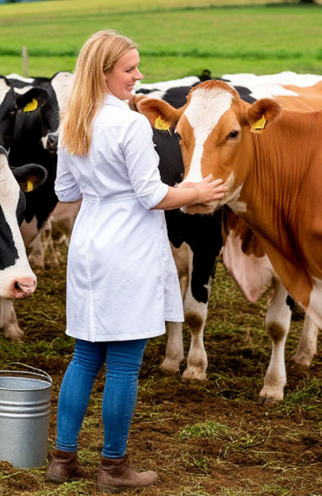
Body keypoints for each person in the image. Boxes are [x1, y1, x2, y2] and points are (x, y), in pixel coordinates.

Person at [45, 29, 227, 490]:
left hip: (87, 245)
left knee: (84, 355)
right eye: (129, 69)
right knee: (124, 363)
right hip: (127, 247)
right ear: (104, 72)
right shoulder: (129, 124)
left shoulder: (74, 122)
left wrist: (101, 187)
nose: (138, 76)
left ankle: (62, 460)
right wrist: (198, 191)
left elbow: (65, 191)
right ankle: (113, 467)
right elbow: (151, 195)